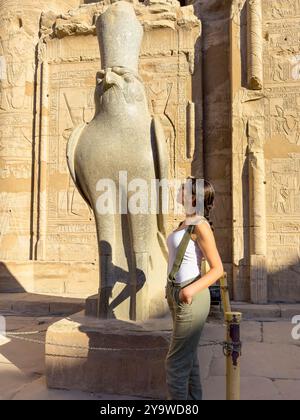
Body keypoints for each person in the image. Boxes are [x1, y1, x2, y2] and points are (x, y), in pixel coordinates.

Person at [165, 177, 224, 400]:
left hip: (190, 296)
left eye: (183, 189)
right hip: (177, 293)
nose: (178, 191)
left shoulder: (200, 225)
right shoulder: (186, 223)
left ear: (192, 197)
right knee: (188, 360)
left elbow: (217, 268)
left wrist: (188, 291)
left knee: (175, 364)